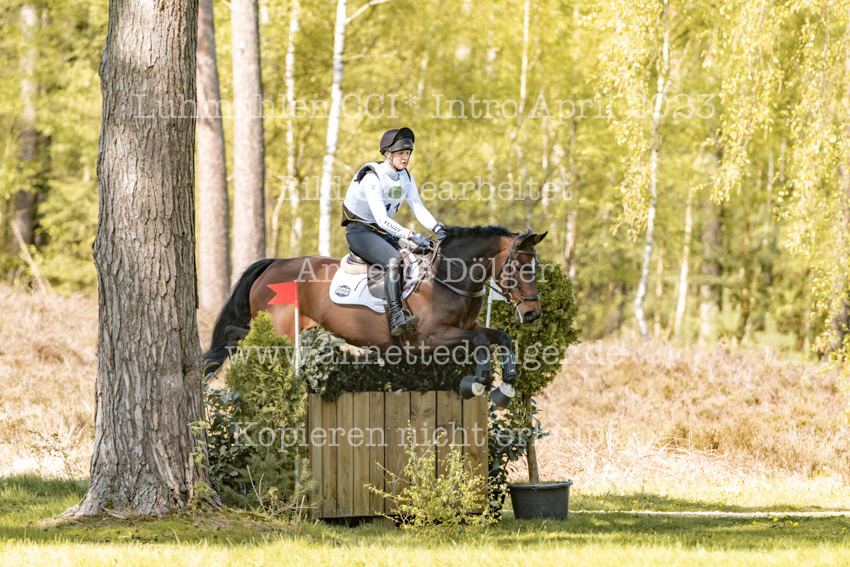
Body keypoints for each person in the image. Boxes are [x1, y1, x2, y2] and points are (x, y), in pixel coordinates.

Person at [341, 127, 448, 336]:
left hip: (381, 233)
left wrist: (437, 228)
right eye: (400, 153)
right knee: (394, 260)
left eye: (407, 153)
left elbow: (417, 206)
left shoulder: (405, 177)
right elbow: (381, 219)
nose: (405, 158)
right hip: (360, 231)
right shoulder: (372, 177)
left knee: (423, 255)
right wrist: (410, 235)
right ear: (387, 154)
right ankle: (397, 317)